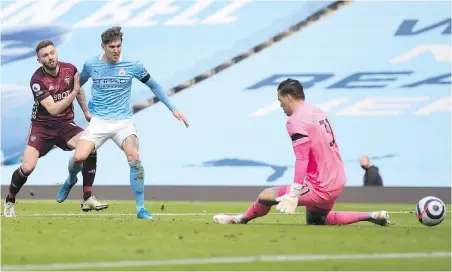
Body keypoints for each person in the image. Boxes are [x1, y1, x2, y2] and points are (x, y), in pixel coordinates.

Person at [213, 79, 390, 226]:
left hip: (320, 184)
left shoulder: (295, 120)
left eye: (280, 100)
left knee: (265, 196)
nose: (280, 105)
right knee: (316, 220)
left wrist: (295, 192)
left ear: (288, 97)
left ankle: (240, 219)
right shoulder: (317, 111)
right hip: (337, 179)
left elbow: (302, 158)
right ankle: (373, 216)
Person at [56, 26, 189, 220]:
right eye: (112, 47)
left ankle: (140, 208)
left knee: (134, 157)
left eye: (119, 46)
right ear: (103, 46)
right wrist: (73, 108)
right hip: (99, 121)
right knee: (78, 158)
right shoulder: (92, 65)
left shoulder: (132, 64)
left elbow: (154, 85)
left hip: (123, 122)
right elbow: (75, 88)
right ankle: (70, 179)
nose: (116, 50)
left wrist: (173, 109)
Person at [3, 40, 107, 218]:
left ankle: (87, 198)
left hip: (65, 125)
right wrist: (73, 93)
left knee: (90, 146)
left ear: (56, 52)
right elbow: (52, 109)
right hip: (41, 127)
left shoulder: (70, 70)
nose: (50, 57)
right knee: (27, 167)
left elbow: (79, 91)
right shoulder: (37, 80)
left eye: (52, 53)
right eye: (45, 55)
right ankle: (10, 201)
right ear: (39, 60)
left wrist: (86, 112)